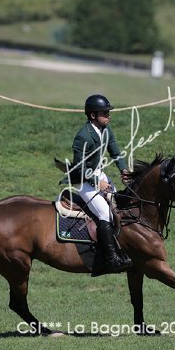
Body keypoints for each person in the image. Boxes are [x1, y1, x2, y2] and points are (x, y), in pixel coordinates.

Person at [64, 94, 131, 276]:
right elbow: (79, 168)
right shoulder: (83, 136)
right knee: (104, 213)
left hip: (99, 174)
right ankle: (111, 259)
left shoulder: (106, 130)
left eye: (108, 112)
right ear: (93, 115)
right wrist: (97, 183)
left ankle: (121, 248)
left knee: (118, 206)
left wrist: (124, 170)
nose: (109, 115)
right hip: (82, 180)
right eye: (105, 113)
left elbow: (116, 152)